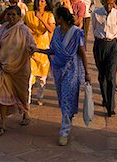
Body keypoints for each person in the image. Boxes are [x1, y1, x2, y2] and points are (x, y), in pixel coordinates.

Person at [35, 7, 90, 146]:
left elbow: (82, 52)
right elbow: (53, 50)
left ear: (61, 18)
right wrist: (38, 50)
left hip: (72, 71)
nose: (54, 20)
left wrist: (87, 72)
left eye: (56, 17)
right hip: (59, 70)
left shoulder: (77, 33)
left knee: (67, 97)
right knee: (64, 99)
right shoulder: (57, 32)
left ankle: (64, 131)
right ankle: (67, 120)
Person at [0, 6, 36, 136]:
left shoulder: (24, 30)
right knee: (1, 95)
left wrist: (28, 51)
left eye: (14, 15)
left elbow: (32, 45)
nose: (11, 17)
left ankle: (25, 113)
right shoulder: (2, 29)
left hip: (20, 68)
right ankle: (3, 123)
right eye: (8, 14)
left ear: (19, 16)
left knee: (21, 93)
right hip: (5, 67)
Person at [91, 0, 117, 117]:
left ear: (114, 3)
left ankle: (111, 106)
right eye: (107, 3)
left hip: (113, 46)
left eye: (111, 4)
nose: (109, 6)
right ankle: (105, 98)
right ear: (103, 2)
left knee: (111, 75)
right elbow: (94, 29)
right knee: (102, 75)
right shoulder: (96, 13)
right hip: (100, 45)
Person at [24, 0, 55, 105]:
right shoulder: (28, 15)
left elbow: (51, 29)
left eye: (42, 1)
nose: (39, 3)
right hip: (31, 48)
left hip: (44, 49)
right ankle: (27, 99)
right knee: (29, 77)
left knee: (42, 78)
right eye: (37, 1)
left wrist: (41, 19)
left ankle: (40, 97)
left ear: (46, 3)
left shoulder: (49, 15)